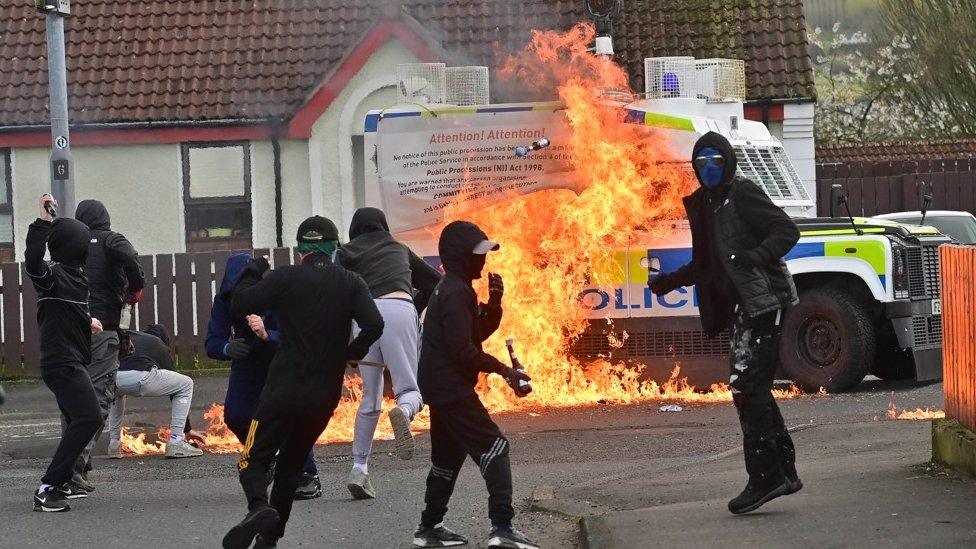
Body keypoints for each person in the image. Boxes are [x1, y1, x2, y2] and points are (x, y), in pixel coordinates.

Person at [649, 131, 802, 515]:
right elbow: (705, 263)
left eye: (716, 161)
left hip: (764, 302)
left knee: (747, 386)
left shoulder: (743, 194)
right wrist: (667, 282)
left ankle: (767, 476)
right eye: (701, 163)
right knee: (752, 387)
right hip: (738, 306)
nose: (709, 169)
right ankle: (783, 470)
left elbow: (787, 230)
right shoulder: (704, 204)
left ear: (728, 163)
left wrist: (755, 257)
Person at [223, 216, 383, 549]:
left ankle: (258, 507)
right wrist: (350, 352)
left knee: (252, 459)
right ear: (334, 247)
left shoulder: (286, 278)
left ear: (301, 250)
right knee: (292, 466)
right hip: (322, 396)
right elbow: (374, 324)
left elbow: (241, 303)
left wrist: (253, 269)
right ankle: (269, 540)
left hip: (281, 390)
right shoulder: (351, 282)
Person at [412, 220, 538, 549]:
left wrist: (494, 305)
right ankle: (502, 528)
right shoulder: (454, 291)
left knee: (446, 459)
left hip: (440, 385)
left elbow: (473, 335)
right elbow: (463, 351)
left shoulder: (457, 288)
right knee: (495, 447)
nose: (483, 261)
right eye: (478, 254)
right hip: (448, 386)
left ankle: (428, 528)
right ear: (461, 257)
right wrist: (504, 371)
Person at [337, 207, 442, 499]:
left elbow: (339, 294)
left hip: (364, 315)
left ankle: (359, 469)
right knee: (409, 389)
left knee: (370, 397)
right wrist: (414, 306)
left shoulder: (346, 252)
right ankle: (404, 411)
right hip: (399, 307)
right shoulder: (399, 248)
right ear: (383, 226)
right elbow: (436, 282)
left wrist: (343, 343)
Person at [205, 253, 322, 500]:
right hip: (247, 364)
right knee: (236, 415)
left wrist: (269, 335)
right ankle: (267, 456)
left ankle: (307, 474)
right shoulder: (225, 301)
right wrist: (228, 348)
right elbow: (212, 342)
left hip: (280, 360)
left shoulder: (277, 295)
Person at [26, 194, 104, 512]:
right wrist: (43, 223)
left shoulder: (76, 275)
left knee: (77, 419)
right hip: (61, 362)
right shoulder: (52, 276)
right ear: (74, 245)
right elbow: (33, 261)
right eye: (84, 242)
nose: (88, 247)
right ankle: (47, 488)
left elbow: (66, 312)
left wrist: (88, 321)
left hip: (74, 359)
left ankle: (65, 481)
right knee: (90, 417)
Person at [70, 199, 145, 491]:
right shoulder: (111, 240)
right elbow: (131, 260)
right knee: (99, 397)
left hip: (72, 331)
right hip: (103, 332)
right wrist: (135, 287)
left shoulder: (70, 246)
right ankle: (74, 466)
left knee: (72, 399)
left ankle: (76, 463)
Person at [106, 325, 205, 459]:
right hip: (141, 377)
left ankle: (114, 444)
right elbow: (174, 387)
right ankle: (176, 442)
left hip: (113, 376)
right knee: (186, 384)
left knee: (117, 394)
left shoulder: (132, 336)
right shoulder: (158, 343)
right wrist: (187, 429)